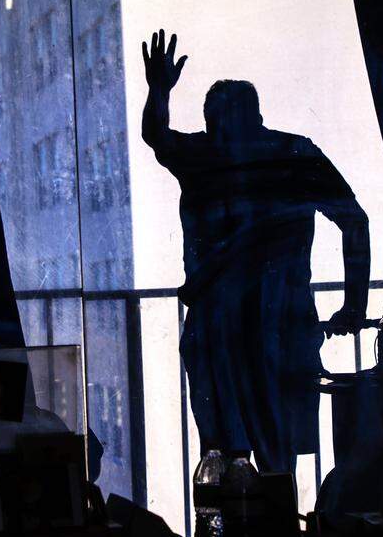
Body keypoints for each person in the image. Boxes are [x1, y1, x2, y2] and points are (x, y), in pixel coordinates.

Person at [140, 29, 370, 474]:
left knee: (230, 452)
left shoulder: (216, 155)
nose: (220, 127)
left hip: (244, 323)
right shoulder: (290, 154)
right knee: (263, 451)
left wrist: (160, 91)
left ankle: (246, 531)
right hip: (264, 323)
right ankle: (270, 529)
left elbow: (157, 136)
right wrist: (352, 305)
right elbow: (353, 221)